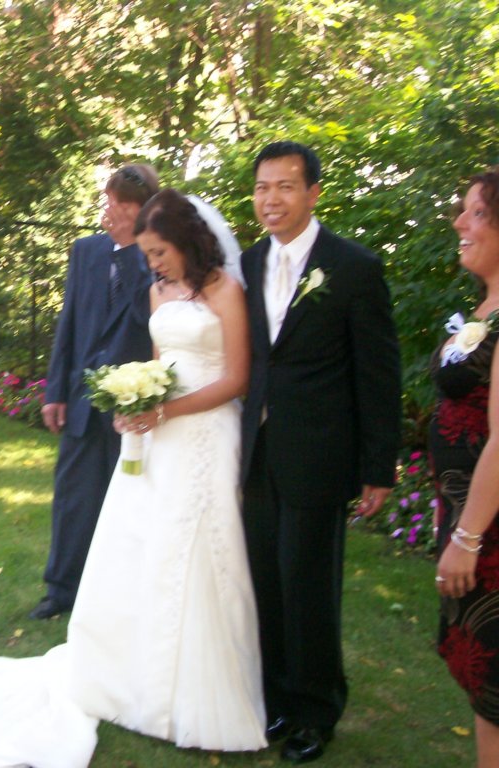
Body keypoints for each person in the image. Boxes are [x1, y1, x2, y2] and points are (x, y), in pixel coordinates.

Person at [0, 189, 266, 764]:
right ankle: (132, 675)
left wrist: (165, 410)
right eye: (147, 254)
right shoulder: (157, 291)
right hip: (157, 436)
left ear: (185, 242)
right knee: (142, 545)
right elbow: (159, 366)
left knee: (199, 549)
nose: (153, 264)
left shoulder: (225, 289)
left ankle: (195, 689)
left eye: (159, 252)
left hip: (206, 436)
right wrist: (137, 402)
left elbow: (238, 379)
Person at [239, 141, 402, 763]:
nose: (271, 199)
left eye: (284, 186)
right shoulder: (248, 262)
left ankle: (316, 711)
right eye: (262, 187)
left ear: (312, 193)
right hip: (258, 452)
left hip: (319, 454)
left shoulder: (353, 266)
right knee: (265, 580)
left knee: (308, 585)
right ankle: (278, 698)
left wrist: (377, 467)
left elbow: (378, 374)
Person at [31, 164, 159, 620]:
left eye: (125, 204)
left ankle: (117, 597)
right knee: (73, 500)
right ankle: (60, 591)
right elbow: (69, 322)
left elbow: (148, 315)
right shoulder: (85, 251)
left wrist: (133, 248)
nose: (114, 211)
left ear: (145, 210)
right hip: (82, 400)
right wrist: (55, 391)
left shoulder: (157, 256)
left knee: (127, 504)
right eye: (111, 200)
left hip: (135, 403)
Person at [432, 167, 499, 768]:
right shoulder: (486, 309)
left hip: (490, 534)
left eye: (475, 212)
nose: (459, 222)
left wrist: (468, 537)